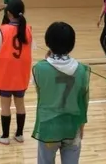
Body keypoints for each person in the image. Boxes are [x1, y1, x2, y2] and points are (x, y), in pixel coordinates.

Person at [33, 22, 89, 164]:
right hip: (72, 125)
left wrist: (48, 60)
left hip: (48, 126)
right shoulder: (82, 70)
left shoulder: (39, 68)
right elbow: (84, 101)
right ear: (72, 44)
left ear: (48, 42)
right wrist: (81, 126)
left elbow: (41, 92)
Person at [0, 0, 33, 145]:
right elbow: (31, 49)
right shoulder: (27, 30)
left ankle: (5, 136)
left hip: (6, 73)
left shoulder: (3, 30)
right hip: (21, 73)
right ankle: (19, 134)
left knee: (5, 105)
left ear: (8, 13)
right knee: (20, 103)